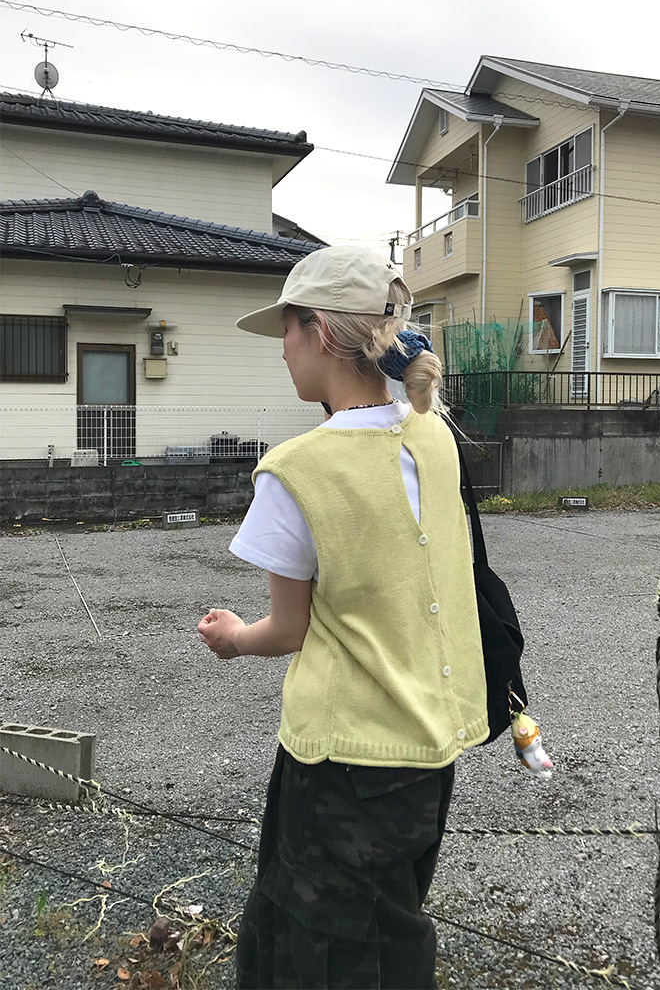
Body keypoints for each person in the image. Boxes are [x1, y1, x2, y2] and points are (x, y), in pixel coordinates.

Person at [197, 244, 488, 990]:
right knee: (389, 926)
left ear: (321, 332)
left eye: (287, 329)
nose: (282, 349)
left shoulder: (297, 470)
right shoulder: (433, 434)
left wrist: (232, 638)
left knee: (322, 951)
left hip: (342, 758)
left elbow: (287, 630)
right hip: (430, 746)